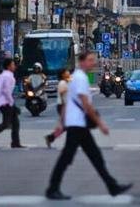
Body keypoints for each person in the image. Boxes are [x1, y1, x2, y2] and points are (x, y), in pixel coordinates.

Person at [45, 52, 131, 200]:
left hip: (77, 123)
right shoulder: (80, 78)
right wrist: (100, 123)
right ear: (82, 62)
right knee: (69, 157)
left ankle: (112, 186)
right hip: (77, 124)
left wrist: (61, 122)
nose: (94, 63)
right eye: (91, 60)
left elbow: (68, 102)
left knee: (94, 156)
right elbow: (85, 104)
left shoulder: (75, 78)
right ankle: (52, 189)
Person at [45, 68, 72, 148]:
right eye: (66, 71)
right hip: (62, 106)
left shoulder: (66, 82)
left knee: (67, 126)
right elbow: (62, 94)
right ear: (63, 74)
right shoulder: (62, 83)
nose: (68, 72)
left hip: (64, 106)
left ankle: (50, 137)